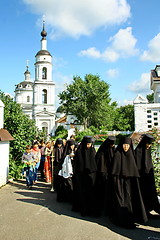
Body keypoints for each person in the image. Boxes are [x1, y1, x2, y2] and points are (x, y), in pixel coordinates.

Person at [110, 136, 148, 228]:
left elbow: (134, 171)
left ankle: (130, 217)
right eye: (124, 145)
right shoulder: (117, 155)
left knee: (129, 201)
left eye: (127, 145)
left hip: (129, 184)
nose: (125, 147)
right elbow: (114, 171)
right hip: (119, 182)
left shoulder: (131, 155)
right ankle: (120, 219)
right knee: (120, 201)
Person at [135, 134, 160, 216]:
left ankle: (149, 209)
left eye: (150, 144)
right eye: (147, 144)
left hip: (148, 177)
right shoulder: (138, 151)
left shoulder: (147, 150)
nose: (148, 146)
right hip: (141, 178)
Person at [72, 136, 97, 217]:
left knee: (91, 194)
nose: (88, 146)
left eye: (90, 144)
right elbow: (77, 165)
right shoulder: (80, 152)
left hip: (91, 176)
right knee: (82, 193)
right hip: (81, 176)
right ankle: (83, 209)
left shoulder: (92, 151)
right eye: (87, 144)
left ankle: (91, 210)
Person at [95, 136, 116, 216]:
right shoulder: (102, 151)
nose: (112, 146)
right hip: (103, 174)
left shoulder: (113, 150)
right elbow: (99, 162)